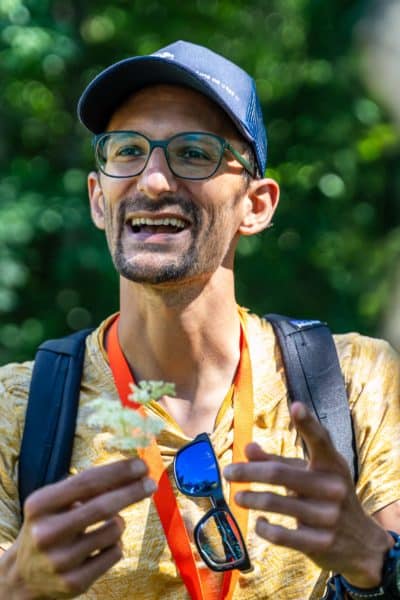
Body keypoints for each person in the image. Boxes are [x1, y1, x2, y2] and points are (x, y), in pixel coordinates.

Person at [0, 39, 400, 600]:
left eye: (193, 153)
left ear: (256, 205)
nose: (154, 180)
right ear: (97, 198)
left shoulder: (355, 382)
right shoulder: (16, 410)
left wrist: (376, 558)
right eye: (127, 151)